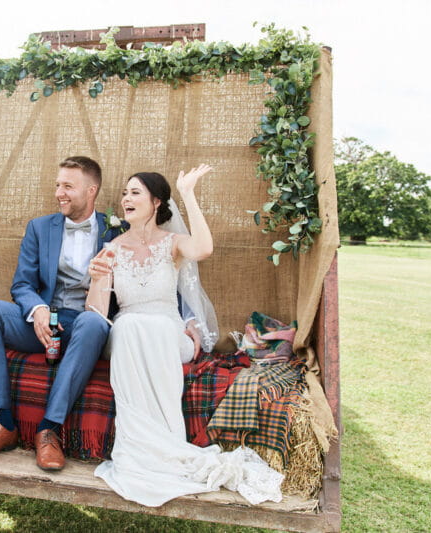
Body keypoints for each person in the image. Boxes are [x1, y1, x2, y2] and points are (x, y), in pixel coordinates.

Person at [0, 156, 201, 472]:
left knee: (92, 321)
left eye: (68, 186)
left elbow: (155, 274)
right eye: (58, 185)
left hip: (85, 328)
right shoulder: (39, 227)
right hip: (40, 324)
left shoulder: (116, 230)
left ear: (91, 191)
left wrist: (189, 320)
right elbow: (22, 284)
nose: (59, 193)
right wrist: (37, 308)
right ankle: (2, 422)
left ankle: (48, 429)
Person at [86, 165, 283, 506]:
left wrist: (189, 193)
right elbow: (97, 313)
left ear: (156, 201)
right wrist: (95, 277)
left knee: (154, 327)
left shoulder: (173, 243)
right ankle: (146, 447)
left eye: (135, 192)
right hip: (130, 334)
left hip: (167, 331)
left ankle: (167, 437)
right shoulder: (112, 248)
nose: (125, 199)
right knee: (129, 324)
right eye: (124, 193)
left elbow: (204, 248)